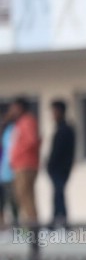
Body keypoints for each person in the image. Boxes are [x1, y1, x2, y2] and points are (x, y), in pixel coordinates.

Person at [7, 97, 40, 229]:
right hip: (20, 164)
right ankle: (31, 226)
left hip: (25, 165)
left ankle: (33, 227)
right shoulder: (19, 123)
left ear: (20, 107)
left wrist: (17, 154)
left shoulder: (27, 121)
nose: (11, 111)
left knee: (25, 196)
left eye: (13, 108)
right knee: (22, 196)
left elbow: (32, 141)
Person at [46, 98, 76, 226]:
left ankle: (61, 223)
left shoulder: (66, 129)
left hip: (61, 169)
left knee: (59, 195)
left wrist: (53, 165)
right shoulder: (59, 128)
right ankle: (58, 222)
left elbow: (63, 152)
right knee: (57, 195)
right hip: (56, 169)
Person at [1, 102, 23, 226]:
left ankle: (18, 227)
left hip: (12, 172)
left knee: (14, 201)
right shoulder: (4, 133)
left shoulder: (14, 129)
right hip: (3, 172)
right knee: (3, 202)